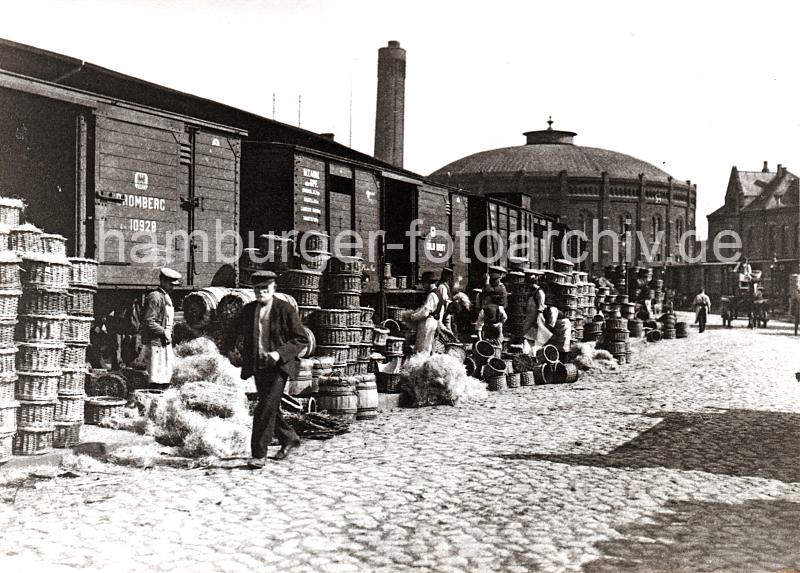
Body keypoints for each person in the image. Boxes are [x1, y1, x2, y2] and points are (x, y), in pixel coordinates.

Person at [240, 271, 308, 467]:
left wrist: (279, 354)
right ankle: (289, 438)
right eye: (257, 289)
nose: (261, 292)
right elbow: (234, 333)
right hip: (259, 365)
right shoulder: (249, 310)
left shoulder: (284, 309)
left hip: (280, 367)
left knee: (264, 407)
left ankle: (259, 454)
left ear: (273, 289)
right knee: (270, 406)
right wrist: (231, 352)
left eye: (265, 289)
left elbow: (301, 338)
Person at [139, 268, 180, 385]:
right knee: (154, 377)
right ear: (162, 281)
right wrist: (164, 332)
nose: (172, 287)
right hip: (155, 343)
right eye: (170, 284)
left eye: (174, 285)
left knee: (163, 376)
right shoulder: (155, 297)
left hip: (163, 343)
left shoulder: (165, 297)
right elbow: (149, 321)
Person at [406, 271, 442, 354]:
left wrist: (412, 316)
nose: (423, 286)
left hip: (428, 322)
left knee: (423, 347)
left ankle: (420, 364)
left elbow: (425, 312)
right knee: (427, 346)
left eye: (424, 283)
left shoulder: (432, 295)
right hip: (433, 321)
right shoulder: (437, 293)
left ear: (428, 282)